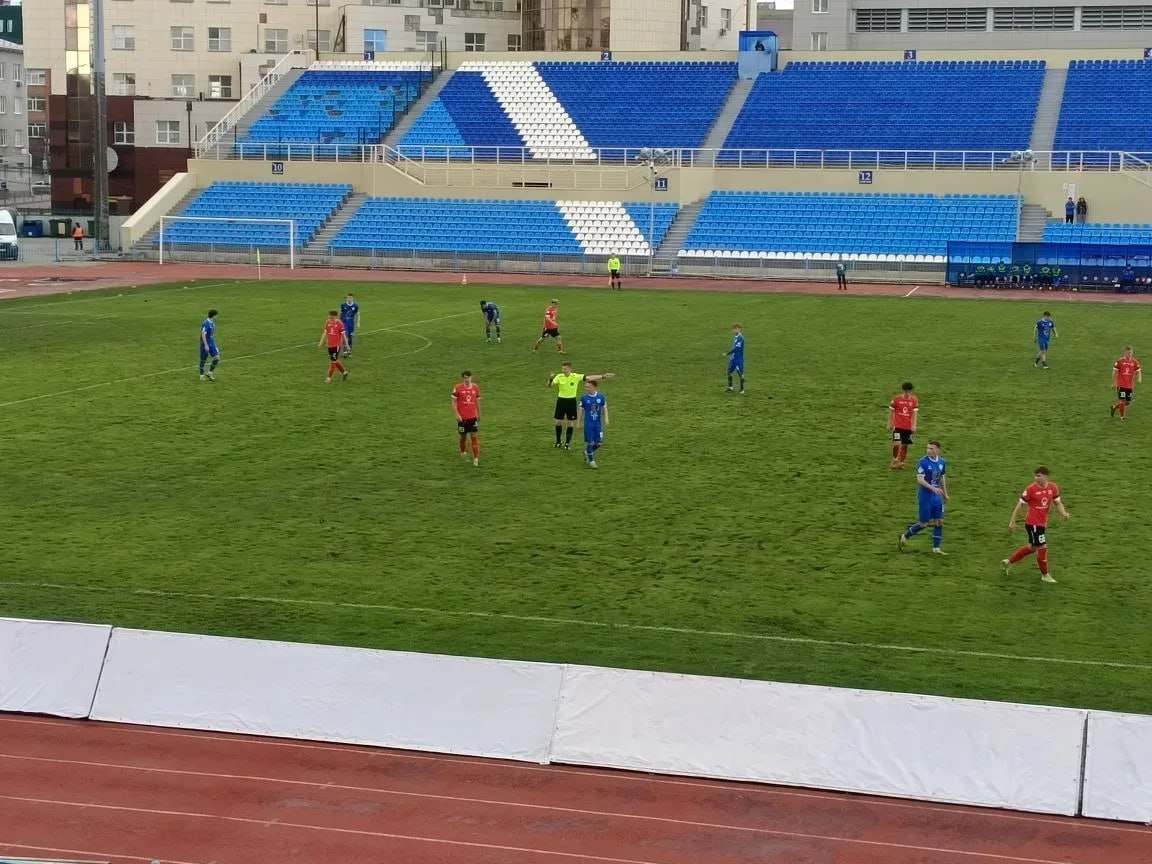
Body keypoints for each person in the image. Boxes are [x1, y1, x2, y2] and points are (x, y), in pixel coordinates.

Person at [1002, 467, 1069, 584]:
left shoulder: (1053, 487)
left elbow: (1058, 502)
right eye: (1035, 476)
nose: (1036, 478)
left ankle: (1008, 562)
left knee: (1032, 548)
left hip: (1042, 523)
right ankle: (1045, 575)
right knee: (1042, 547)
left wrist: (1063, 513)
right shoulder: (1031, 489)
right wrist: (1012, 522)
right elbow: (1019, 506)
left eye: (1039, 476)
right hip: (1033, 523)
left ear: (1046, 476)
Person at [898, 440, 948, 555]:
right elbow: (920, 480)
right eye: (927, 448)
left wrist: (945, 493)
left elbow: (942, 478)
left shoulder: (942, 461)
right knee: (923, 524)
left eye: (931, 448)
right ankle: (905, 536)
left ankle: (936, 548)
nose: (928, 450)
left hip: (937, 496)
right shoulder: (923, 462)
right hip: (925, 496)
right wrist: (933, 488)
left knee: (939, 521)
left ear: (937, 450)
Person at [549, 361, 614, 449]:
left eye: (565, 369)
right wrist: (550, 379)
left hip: (571, 401)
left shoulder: (575, 376)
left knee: (570, 422)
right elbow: (550, 385)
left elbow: (589, 377)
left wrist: (602, 376)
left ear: (570, 369)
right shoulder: (559, 376)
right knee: (558, 422)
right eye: (562, 369)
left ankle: (567, 444)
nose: (563, 370)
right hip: (561, 400)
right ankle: (558, 442)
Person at [577, 379, 609, 468]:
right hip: (588, 425)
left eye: (588, 387)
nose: (586, 388)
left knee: (599, 444)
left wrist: (606, 418)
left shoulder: (601, 397)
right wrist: (578, 423)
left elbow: (604, 408)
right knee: (590, 443)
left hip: (598, 425)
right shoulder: (584, 398)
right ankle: (592, 461)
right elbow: (580, 411)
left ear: (594, 387)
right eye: (586, 387)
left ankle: (587, 452)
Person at [452, 370, 482, 466]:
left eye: (468, 377)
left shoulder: (476, 387)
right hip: (462, 418)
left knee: (474, 436)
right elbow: (453, 402)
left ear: (471, 377)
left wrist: (479, 414)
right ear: (463, 378)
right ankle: (463, 452)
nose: (467, 379)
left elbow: (477, 402)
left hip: (472, 417)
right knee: (463, 437)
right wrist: (457, 414)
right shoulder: (458, 388)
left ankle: (476, 459)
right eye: (465, 378)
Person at [888, 382, 919, 469]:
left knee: (905, 445)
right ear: (903, 391)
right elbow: (891, 412)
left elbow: (915, 414)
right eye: (906, 392)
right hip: (898, 426)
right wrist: (890, 423)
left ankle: (901, 462)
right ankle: (895, 460)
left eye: (909, 392)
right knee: (896, 443)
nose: (907, 393)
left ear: (911, 391)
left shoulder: (914, 400)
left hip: (908, 427)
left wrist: (914, 425)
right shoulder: (896, 399)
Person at [318, 310, 349, 383]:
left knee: (333, 361)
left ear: (334, 316)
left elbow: (344, 335)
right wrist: (321, 342)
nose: (328, 316)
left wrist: (347, 345)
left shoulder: (339, 323)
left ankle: (329, 378)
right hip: (330, 345)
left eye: (330, 315)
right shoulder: (328, 322)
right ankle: (344, 372)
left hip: (336, 345)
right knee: (334, 360)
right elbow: (325, 333)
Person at [1111, 345, 1142, 420]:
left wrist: (1139, 378)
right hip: (1121, 385)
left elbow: (1139, 370)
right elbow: (1114, 371)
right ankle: (1122, 417)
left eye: (1130, 352)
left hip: (1130, 385)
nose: (1129, 354)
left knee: (1127, 402)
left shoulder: (1134, 361)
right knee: (1122, 401)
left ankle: (1114, 407)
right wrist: (1114, 382)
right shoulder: (1120, 361)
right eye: (1128, 353)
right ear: (1125, 352)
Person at [724, 323, 746, 394]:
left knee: (740, 374)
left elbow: (736, 349)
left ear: (739, 329)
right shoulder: (736, 337)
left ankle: (742, 389)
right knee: (729, 372)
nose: (734, 330)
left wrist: (727, 353)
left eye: (736, 329)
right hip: (734, 358)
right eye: (733, 329)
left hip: (738, 359)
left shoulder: (741, 338)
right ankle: (730, 387)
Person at [199, 309, 220, 381]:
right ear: (214, 315)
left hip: (212, 343)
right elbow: (203, 334)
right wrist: (206, 345)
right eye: (216, 315)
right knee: (203, 360)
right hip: (205, 343)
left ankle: (210, 373)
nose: (217, 316)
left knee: (217, 358)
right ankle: (201, 376)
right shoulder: (206, 323)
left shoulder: (213, 323)